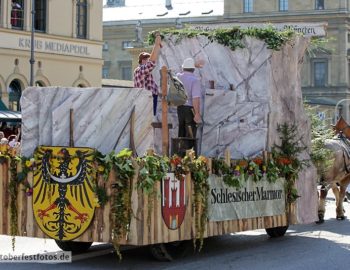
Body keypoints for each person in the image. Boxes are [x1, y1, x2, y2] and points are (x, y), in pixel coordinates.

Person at [133, 33, 162, 122]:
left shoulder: (140, 70)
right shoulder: (140, 69)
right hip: (147, 97)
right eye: (145, 59)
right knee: (148, 120)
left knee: (149, 119)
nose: (147, 60)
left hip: (147, 96)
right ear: (141, 61)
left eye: (147, 58)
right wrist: (156, 45)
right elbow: (151, 63)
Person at [176, 58, 204, 138]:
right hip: (190, 110)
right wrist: (197, 114)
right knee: (190, 134)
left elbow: (183, 69)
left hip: (180, 108)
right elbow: (196, 99)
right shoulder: (194, 80)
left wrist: (193, 65)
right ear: (193, 69)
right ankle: (189, 150)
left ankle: (179, 150)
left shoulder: (178, 76)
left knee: (181, 132)